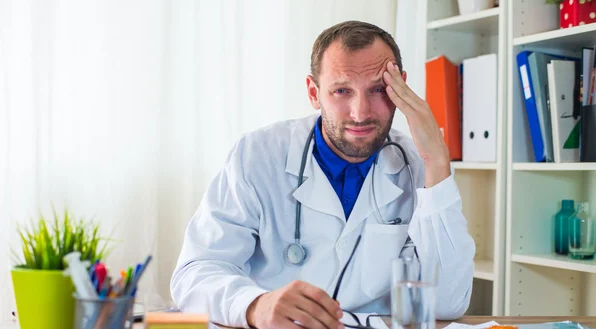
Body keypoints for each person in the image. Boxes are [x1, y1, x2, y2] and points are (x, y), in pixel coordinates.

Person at [171, 20, 475, 329]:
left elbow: (448, 303)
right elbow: (195, 273)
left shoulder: (419, 166)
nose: (361, 112)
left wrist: (438, 161)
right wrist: (255, 305)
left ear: (400, 88)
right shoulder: (256, 156)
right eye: (342, 90)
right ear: (314, 92)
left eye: (378, 90)